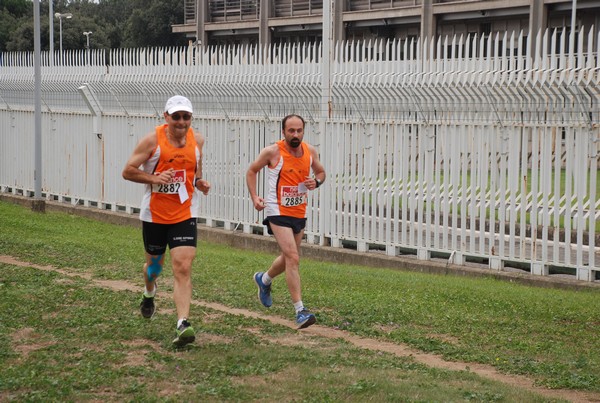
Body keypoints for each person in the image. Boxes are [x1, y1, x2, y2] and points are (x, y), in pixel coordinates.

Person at [122, 95, 210, 347]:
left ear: (191, 118)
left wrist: (200, 182)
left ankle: (183, 322)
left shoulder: (198, 140)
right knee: (154, 268)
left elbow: (195, 171)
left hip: (184, 213)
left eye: (186, 117)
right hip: (155, 215)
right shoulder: (152, 140)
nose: (181, 122)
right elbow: (127, 170)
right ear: (166, 117)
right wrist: (154, 178)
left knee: (182, 266)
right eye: (176, 116)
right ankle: (149, 293)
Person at [246, 114, 326, 329]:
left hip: (299, 211)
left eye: (299, 130)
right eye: (291, 131)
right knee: (292, 256)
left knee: (289, 257)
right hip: (276, 210)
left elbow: (321, 171)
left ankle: (264, 280)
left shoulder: (310, 152)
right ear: (283, 132)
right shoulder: (273, 151)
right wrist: (255, 197)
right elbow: (252, 171)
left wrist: (315, 182)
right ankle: (300, 311)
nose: (295, 135)